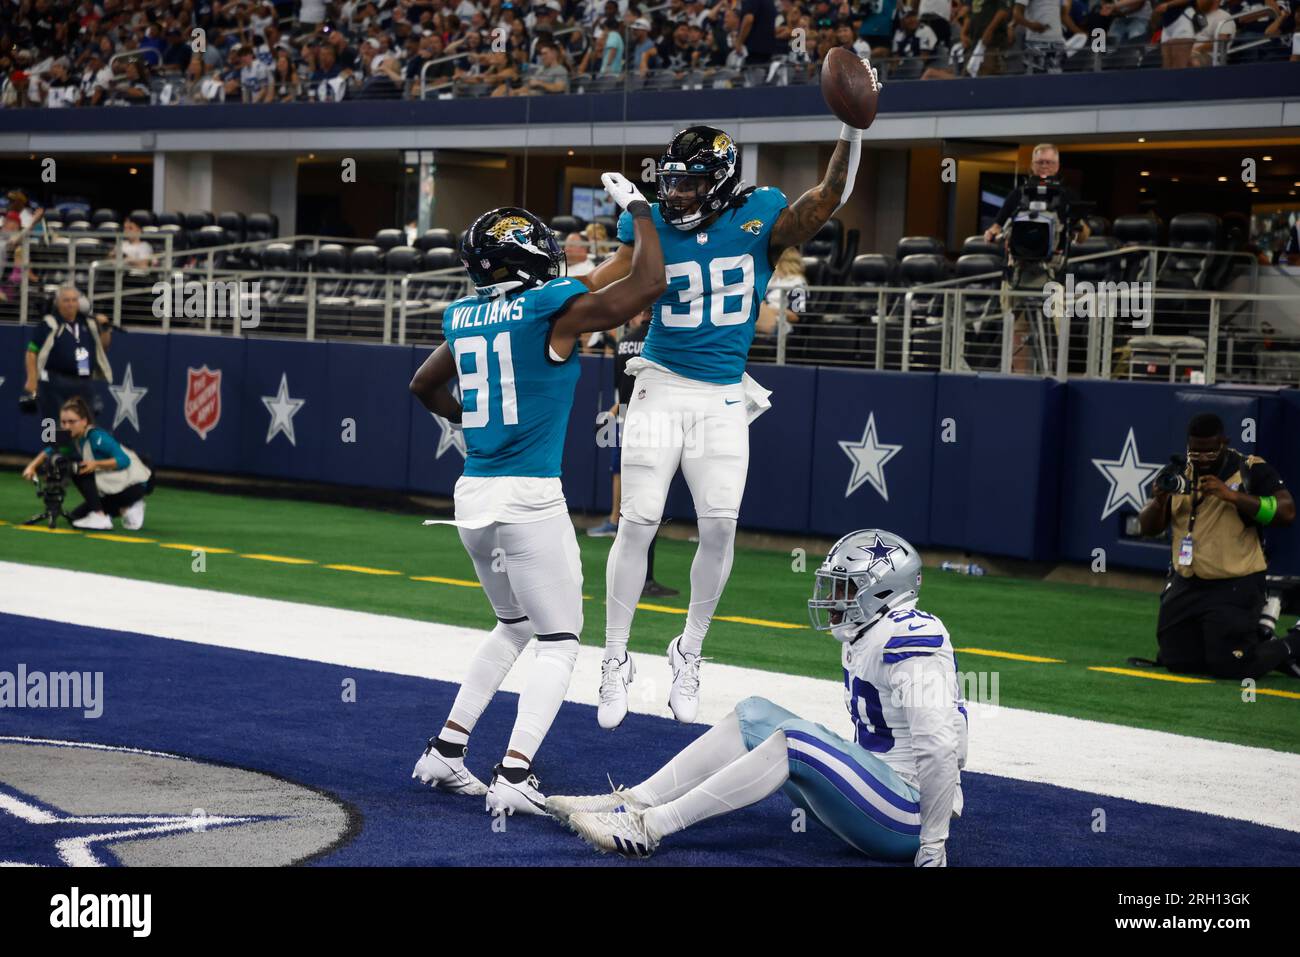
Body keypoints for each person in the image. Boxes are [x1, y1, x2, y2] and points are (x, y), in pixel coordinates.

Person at [584, 121, 866, 729]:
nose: (675, 193)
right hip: (658, 382)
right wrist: (545, 299)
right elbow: (603, 280)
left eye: (688, 183)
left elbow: (828, 196)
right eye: (671, 180)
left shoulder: (760, 214)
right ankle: (613, 658)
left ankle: (689, 651)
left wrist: (851, 125)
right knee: (637, 521)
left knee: (719, 528)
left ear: (718, 184)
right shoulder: (650, 220)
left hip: (721, 395)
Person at [407, 174, 667, 816]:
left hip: (474, 499)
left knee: (513, 625)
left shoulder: (465, 315)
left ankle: (446, 750)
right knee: (558, 640)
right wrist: (639, 210)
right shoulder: (552, 308)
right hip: (528, 498)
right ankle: (516, 773)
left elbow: (422, 385)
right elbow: (647, 285)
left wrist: (471, 421)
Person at [548, 529, 967, 866]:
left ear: (881, 592)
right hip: (882, 794)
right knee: (753, 714)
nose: (833, 601)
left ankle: (650, 827)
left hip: (910, 815)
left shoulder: (913, 638)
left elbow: (943, 745)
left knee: (797, 744)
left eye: (844, 588)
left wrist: (932, 844)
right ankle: (631, 802)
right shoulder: (869, 632)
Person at [1138, 413, 1300, 680]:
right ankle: (1258, 645)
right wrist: (1158, 502)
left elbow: (1286, 512)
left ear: (1223, 443)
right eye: (1195, 451)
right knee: (1178, 662)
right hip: (1187, 583)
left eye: (1209, 451)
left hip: (1235, 583)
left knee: (1232, 667)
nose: (1202, 458)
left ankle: (1293, 643)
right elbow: (1148, 527)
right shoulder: (1177, 472)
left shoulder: (1249, 468)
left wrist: (1232, 496)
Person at [589, 309, 680, 596]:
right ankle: (644, 579)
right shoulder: (661, 340)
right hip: (656, 420)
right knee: (650, 505)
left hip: (628, 418)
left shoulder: (624, 341)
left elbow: (621, 387)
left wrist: (615, 412)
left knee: (632, 500)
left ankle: (625, 577)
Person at [21, 396, 153, 531]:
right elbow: (50, 450)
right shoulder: (71, 436)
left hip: (135, 486)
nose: (66, 426)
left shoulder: (96, 436)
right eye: (63, 422)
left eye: (72, 421)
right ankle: (127, 508)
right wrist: (32, 466)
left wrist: (95, 464)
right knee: (76, 517)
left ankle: (101, 515)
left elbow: (124, 460)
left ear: (84, 421)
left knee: (78, 469)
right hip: (116, 487)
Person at [22, 285, 113, 426]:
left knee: (85, 424)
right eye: (66, 300)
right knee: (53, 422)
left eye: (73, 300)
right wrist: (32, 379)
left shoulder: (88, 323)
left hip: (83, 382)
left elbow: (103, 348)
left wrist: (106, 328)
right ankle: (52, 447)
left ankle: (79, 448)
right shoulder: (49, 324)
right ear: (58, 303)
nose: (70, 304)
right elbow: (31, 352)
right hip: (55, 382)